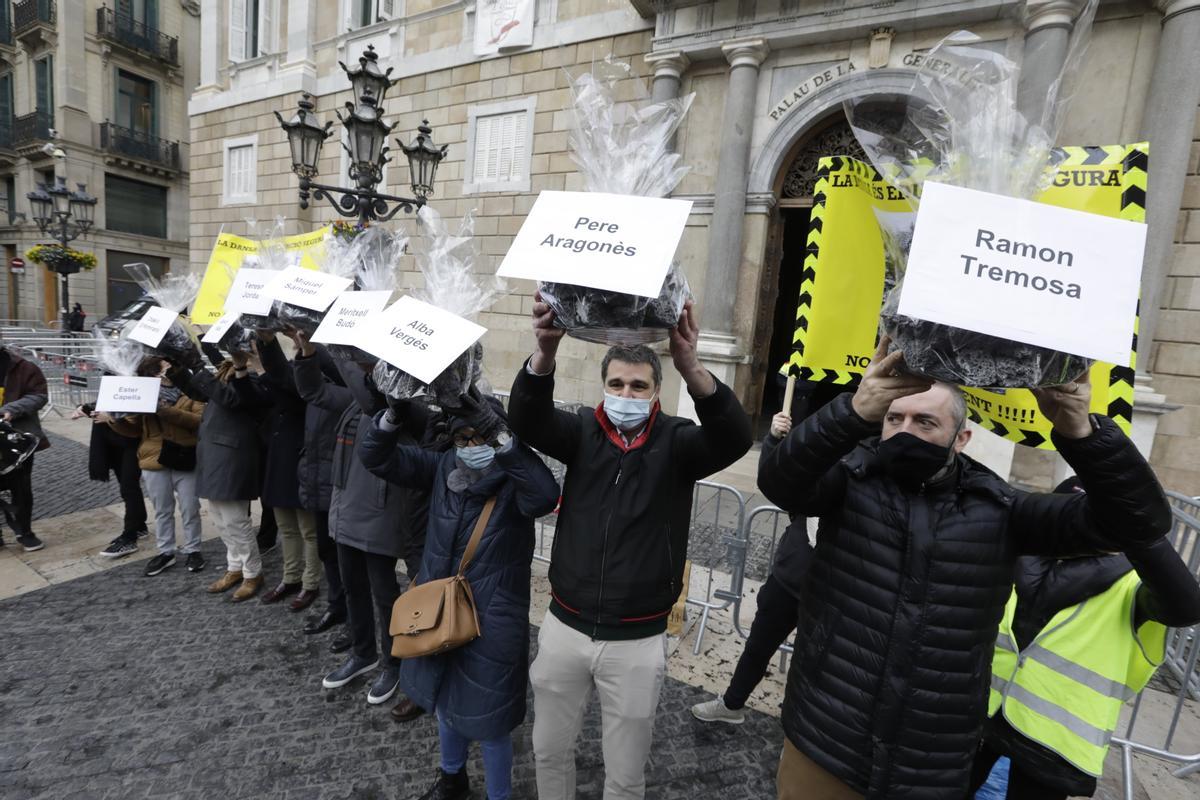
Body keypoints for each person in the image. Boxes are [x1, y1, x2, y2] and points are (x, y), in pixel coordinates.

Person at [758, 338, 1173, 800]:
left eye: (925, 421)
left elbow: (1140, 522)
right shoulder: (851, 480)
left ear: (962, 438)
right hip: (825, 740)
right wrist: (853, 411)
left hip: (929, 766)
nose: (905, 429)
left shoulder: (1002, 510)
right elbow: (780, 480)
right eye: (894, 418)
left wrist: (1083, 434)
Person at [507, 295, 753, 799]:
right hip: (564, 628)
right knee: (550, 751)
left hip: (636, 643)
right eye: (616, 384)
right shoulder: (579, 433)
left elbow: (733, 437)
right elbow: (527, 419)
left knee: (625, 772)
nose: (626, 393)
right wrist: (544, 353)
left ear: (656, 391)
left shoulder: (679, 443)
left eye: (637, 385)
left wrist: (690, 365)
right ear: (603, 387)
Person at [361, 389, 560, 800]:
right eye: (462, 438)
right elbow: (378, 458)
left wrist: (502, 441)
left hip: (492, 620)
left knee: (490, 722)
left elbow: (545, 495)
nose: (470, 447)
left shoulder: (514, 482)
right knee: (444, 704)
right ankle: (452, 779)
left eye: (479, 437)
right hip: (437, 612)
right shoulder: (441, 468)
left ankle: (498, 795)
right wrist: (393, 415)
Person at [965, 477, 1200, 800]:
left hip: (1055, 741)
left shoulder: (1131, 584)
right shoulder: (1020, 554)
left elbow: (1185, 605)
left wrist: (1143, 537)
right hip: (981, 713)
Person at [291, 331, 427, 708]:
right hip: (345, 511)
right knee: (352, 586)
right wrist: (306, 351)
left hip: (380, 514)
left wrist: (341, 345)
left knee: (384, 594)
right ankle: (363, 652)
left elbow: (372, 399)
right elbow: (316, 393)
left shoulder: (399, 404)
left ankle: (392, 663)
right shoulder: (355, 400)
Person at [691, 409, 812, 724]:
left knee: (812, 664)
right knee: (758, 646)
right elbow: (779, 482)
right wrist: (773, 440)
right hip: (789, 579)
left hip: (833, 590)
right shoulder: (827, 461)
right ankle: (732, 705)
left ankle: (799, 728)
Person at [169, 346, 270, 602]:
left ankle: (252, 572)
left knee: (237, 521)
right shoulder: (226, 373)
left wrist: (198, 364)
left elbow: (230, 398)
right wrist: (176, 365)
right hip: (214, 457)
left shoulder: (253, 378)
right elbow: (200, 392)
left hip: (234, 458)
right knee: (220, 520)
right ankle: (234, 567)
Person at [105, 356, 206, 576]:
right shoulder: (144, 394)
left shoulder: (191, 390)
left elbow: (198, 421)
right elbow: (132, 430)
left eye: (167, 370)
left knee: (190, 507)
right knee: (162, 509)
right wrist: (116, 418)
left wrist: (164, 410)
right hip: (154, 457)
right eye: (158, 372)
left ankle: (193, 549)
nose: (163, 376)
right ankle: (166, 551)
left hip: (184, 455)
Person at [255, 333, 321, 610]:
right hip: (280, 462)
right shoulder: (283, 374)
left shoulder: (310, 376)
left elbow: (286, 381)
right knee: (286, 528)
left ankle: (310, 583)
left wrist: (265, 344)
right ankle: (290, 577)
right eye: (294, 344)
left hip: (301, 461)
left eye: (300, 343)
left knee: (308, 530)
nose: (296, 346)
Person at [78, 398, 148, 558]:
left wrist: (110, 417)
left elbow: (136, 416)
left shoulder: (140, 377)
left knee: (128, 487)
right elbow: (111, 397)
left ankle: (129, 536)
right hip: (112, 439)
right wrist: (88, 408)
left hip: (133, 440)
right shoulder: (113, 375)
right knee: (127, 486)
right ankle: (139, 525)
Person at [0, 343, 49, 551]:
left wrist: (11, 410)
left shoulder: (23, 367)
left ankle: (25, 532)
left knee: (21, 488)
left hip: (17, 440)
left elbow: (39, 396)